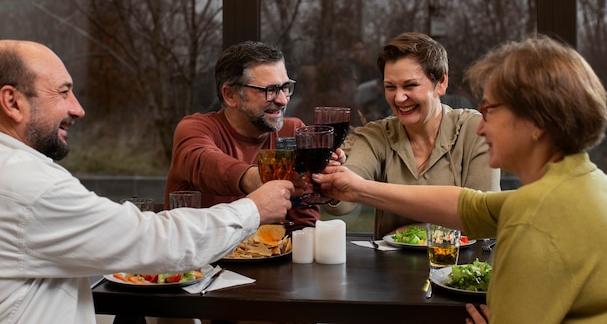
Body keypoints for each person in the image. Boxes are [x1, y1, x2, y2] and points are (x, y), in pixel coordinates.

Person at [315, 36, 607, 324]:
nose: (480, 127)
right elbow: (471, 206)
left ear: (537, 121)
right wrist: (354, 187)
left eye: (489, 110)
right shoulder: (598, 186)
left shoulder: (533, 220)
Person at [0, 40, 295, 324]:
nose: (78, 109)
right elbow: (153, 241)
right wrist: (254, 209)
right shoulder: (28, 189)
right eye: (63, 92)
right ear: (12, 102)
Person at [325, 32, 500, 238]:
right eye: (390, 87)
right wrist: (332, 180)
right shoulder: (378, 135)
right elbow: (343, 203)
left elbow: (483, 217)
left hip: (462, 265)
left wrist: (362, 189)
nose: (399, 98)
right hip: (390, 268)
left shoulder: (474, 129)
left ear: (441, 82)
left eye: (410, 85)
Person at [165, 41, 345, 229]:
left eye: (285, 87)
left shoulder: (294, 131)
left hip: (275, 255)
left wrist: (322, 180)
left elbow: (304, 223)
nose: (283, 100)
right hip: (202, 256)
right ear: (230, 95)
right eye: (270, 90)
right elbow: (203, 161)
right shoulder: (197, 128)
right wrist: (259, 179)